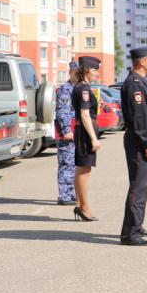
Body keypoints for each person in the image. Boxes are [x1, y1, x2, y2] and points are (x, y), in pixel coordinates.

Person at [120, 46, 147, 246]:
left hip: (140, 140)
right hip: (138, 141)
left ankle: (136, 226)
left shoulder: (140, 83)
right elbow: (138, 119)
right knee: (137, 187)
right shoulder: (135, 84)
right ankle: (130, 234)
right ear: (142, 61)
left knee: (141, 186)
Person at [71, 56, 102, 222]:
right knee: (84, 170)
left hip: (82, 131)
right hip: (84, 132)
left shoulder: (83, 87)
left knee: (81, 170)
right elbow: (84, 115)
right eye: (94, 70)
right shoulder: (83, 89)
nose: (96, 73)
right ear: (86, 70)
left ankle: (79, 204)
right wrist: (93, 138)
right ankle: (84, 208)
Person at [55, 61, 80, 206]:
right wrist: (66, 129)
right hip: (68, 132)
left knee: (75, 164)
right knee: (66, 163)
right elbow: (63, 111)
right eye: (76, 72)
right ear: (70, 72)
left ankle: (72, 192)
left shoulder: (80, 88)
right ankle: (64, 195)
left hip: (77, 131)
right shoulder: (66, 89)